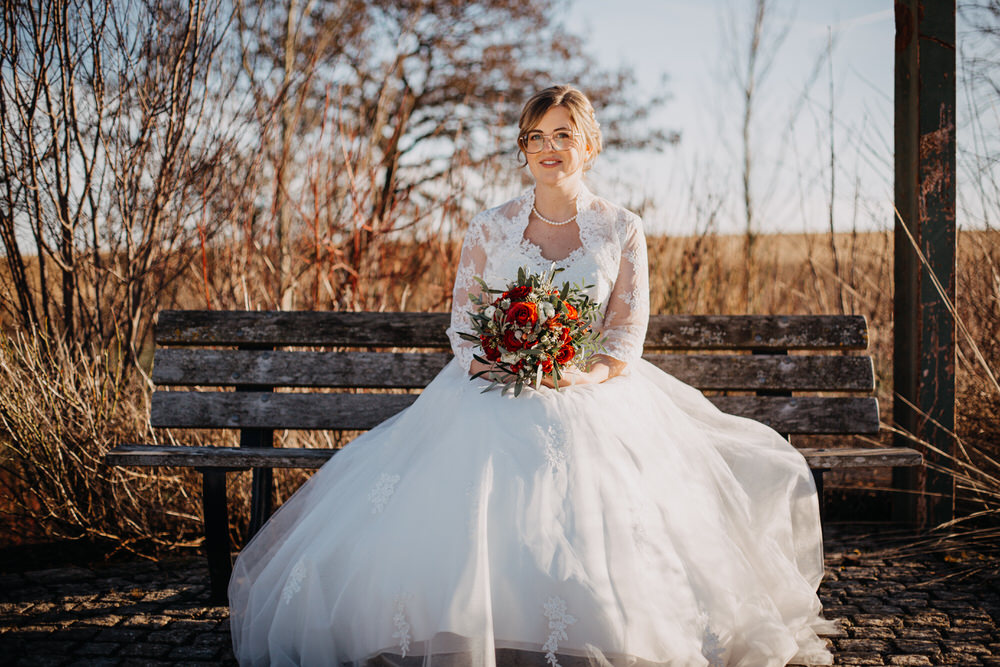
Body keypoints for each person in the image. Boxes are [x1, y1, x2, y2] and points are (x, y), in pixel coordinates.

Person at [228, 85, 837, 667]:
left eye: (564, 135)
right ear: (523, 148)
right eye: (536, 136)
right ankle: (460, 625)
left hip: (590, 391)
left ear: (589, 145)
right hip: (492, 385)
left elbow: (626, 332)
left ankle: (601, 627)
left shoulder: (622, 227)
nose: (550, 147)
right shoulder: (490, 226)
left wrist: (580, 377)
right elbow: (464, 323)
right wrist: (503, 364)